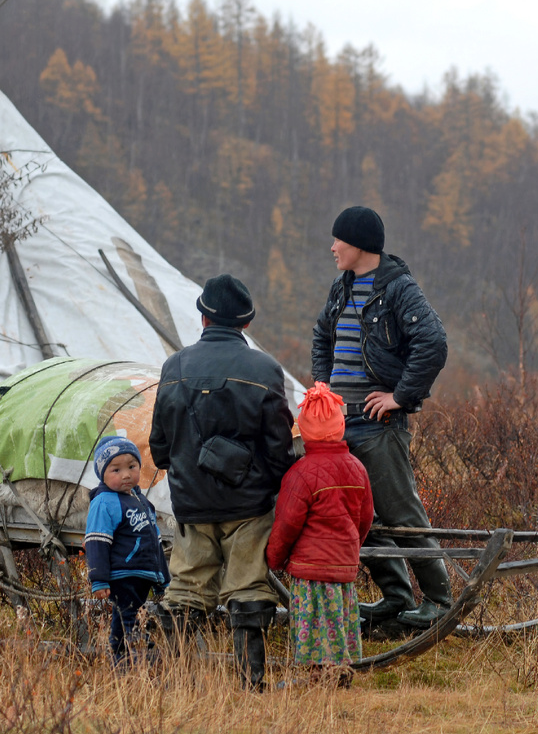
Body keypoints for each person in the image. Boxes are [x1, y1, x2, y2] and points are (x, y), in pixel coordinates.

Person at [149, 273, 296, 690]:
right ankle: (251, 682)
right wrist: (269, 487)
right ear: (245, 324)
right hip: (248, 506)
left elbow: (159, 446)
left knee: (186, 589)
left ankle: (173, 680)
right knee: (248, 587)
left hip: (192, 505)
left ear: (202, 318)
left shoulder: (173, 366)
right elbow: (279, 448)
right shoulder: (265, 369)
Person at [311, 206, 451, 636]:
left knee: (402, 515)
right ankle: (396, 598)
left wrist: (401, 398)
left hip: (378, 427)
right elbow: (322, 335)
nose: (332, 247)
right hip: (340, 426)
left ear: (359, 245)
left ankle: (441, 603)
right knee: (360, 517)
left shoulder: (399, 289)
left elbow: (433, 342)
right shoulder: (342, 286)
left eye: (338, 240)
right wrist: (322, 387)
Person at [267, 382, 373, 688]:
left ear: (303, 429)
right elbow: (364, 518)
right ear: (340, 426)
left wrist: (275, 558)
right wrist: (352, 547)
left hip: (311, 568)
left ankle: (319, 676)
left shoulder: (300, 473)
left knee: (313, 623)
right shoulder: (357, 468)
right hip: (342, 564)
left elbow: (287, 523)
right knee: (338, 621)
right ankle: (338, 673)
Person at [84, 435, 170, 666]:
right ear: (102, 474)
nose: (125, 474)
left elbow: (155, 542)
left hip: (143, 572)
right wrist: (99, 579)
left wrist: (163, 578)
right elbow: (97, 541)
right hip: (122, 572)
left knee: (136, 613)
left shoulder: (142, 502)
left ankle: (137, 650)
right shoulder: (104, 502)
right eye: (116, 469)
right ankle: (120, 656)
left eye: (132, 467)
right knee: (126, 613)